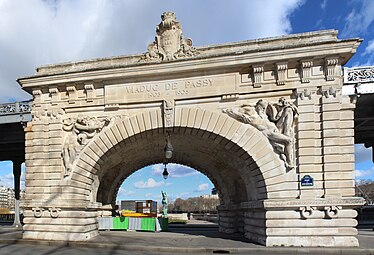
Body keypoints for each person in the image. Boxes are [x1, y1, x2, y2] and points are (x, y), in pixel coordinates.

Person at [224, 99, 295, 169]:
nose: (263, 109)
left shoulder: (264, 116)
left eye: (264, 107)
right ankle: (289, 162)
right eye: (261, 107)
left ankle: (287, 134)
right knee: (289, 140)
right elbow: (231, 110)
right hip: (269, 133)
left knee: (288, 110)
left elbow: (275, 117)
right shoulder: (251, 112)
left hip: (276, 129)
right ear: (257, 106)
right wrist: (242, 116)